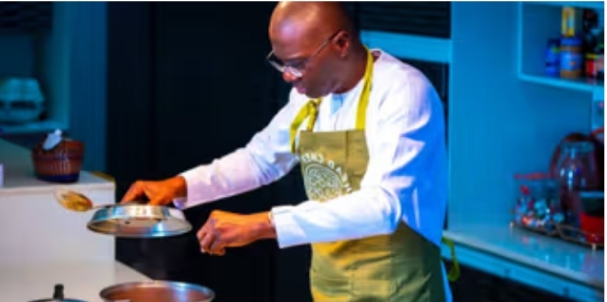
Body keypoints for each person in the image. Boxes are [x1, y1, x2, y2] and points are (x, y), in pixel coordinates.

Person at [122, 2, 454, 301]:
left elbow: (382, 206)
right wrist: (181, 186)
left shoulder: (403, 92)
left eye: (298, 63)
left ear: (341, 44)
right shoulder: (310, 95)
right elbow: (260, 160)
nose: (287, 75)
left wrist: (262, 224)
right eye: (281, 63)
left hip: (401, 291)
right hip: (332, 286)